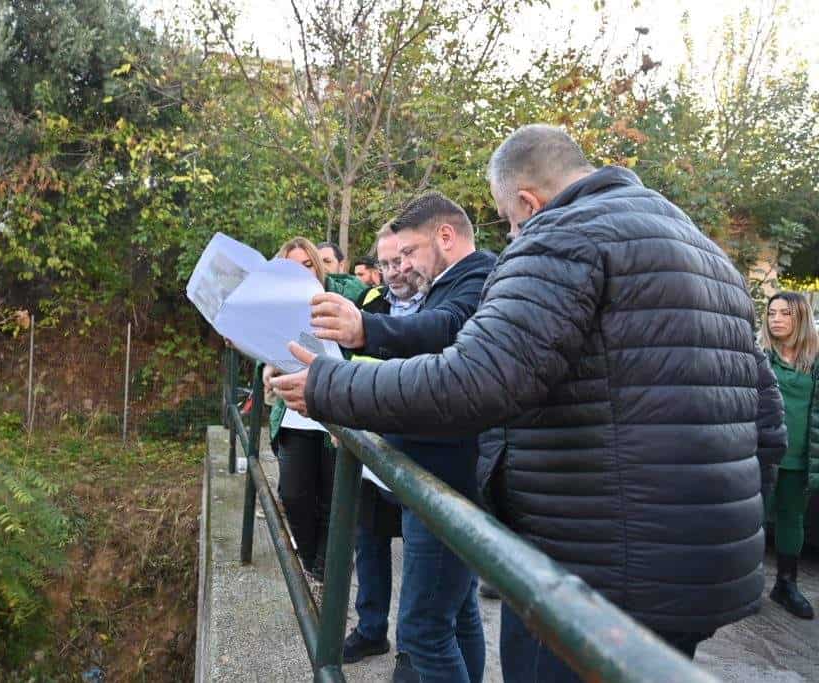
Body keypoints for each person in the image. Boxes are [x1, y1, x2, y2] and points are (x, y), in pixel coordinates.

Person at [273, 125, 788, 681]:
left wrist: (329, 386)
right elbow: (767, 422)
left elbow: (476, 378)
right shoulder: (704, 251)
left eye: (510, 220)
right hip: (699, 569)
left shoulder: (563, 233)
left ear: (528, 202)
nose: (514, 235)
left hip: (588, 567)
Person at [314, 193, 498, 683]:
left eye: (410, 251)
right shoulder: (455, 282)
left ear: (445, 236)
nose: (404, 265)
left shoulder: (478, 277)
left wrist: (364, 329)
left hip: (445, 480)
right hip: (439, 477)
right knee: (457, 615)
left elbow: (446, 328)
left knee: (422, 630)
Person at [343, 223, 425, 668]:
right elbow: (346, 361)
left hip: (419, 456)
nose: (394, 271)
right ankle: (371, 629)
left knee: (420, 559)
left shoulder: (441, 304)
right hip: (370, 447)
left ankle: (412, 652)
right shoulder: (370, 302)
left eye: (401, 260)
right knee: (369, 543)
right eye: (386, 263)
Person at [263, 236, 367, 583]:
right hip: (296, 415)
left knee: (336, 500)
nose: (302, 273)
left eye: (308, 265)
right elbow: (264, 344)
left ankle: (327, 574)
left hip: (336, 413)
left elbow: (365, 317)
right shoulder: (277, 305)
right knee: (293, 495)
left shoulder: (343, 293)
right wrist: (266, 366)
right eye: (293, 267)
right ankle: (312, 565)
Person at [759, 291, 818, 619]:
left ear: (801, 318)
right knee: (751, 517)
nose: (776, 319)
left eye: (785, 313)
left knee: (791, 519)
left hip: (799, 457)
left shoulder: (816, 361)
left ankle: (786, 584)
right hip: (761, 453)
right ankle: (744, 582)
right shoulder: (759, 355)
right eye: (772, 313)